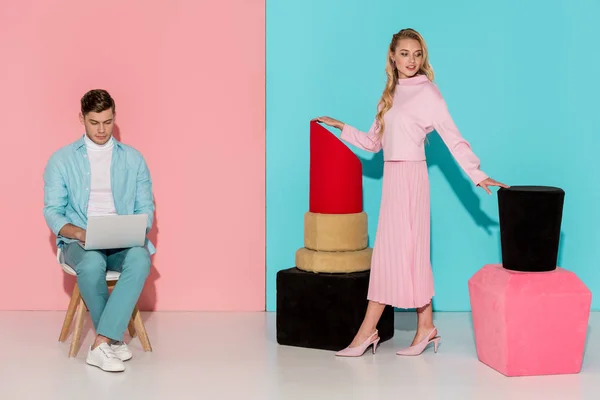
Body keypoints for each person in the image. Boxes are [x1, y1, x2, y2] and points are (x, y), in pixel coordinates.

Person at [315, 28, 508, 357]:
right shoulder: (389, 94)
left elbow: (452, 136)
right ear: (393, 56)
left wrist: (478, 174)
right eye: (404, 53)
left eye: (417, 54)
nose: (411, 60)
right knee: (390, 254)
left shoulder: (428, 92)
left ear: (423, 58)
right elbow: (373, 143)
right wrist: (340, 126)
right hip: (393, 177)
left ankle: (375, 331)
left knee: (411, 253)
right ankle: (421, 328)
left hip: (413, 178)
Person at [43, 89, 155, 371]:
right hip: (78, 241)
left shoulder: (134, 159)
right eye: (94, 122)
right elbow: (52, 211)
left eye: (107, 122)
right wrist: (80, 233)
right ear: (81, 118)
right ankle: (111, 342)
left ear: (114, 117)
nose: (102, 129)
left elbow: (146, 208)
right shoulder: (61, 160)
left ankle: (101, 342)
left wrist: (136, 227)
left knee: (140, 258)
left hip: (119, 240)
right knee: (92, 263)